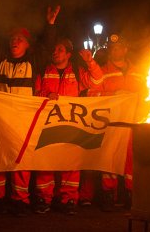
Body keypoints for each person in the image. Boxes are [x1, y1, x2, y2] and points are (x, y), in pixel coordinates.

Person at [0, 6, 60, 217]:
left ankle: (20, 200)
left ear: (27, 45)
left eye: (20, 39)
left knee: (21, 160)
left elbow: (46, 48)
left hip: (22, 120)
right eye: (12, 38)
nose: (14, 41)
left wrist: (50, 25)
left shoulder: (32, 63)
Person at [34, 38, 103, 215]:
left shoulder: (78, 73)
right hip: (48, 124)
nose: (55, 52)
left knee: (70, 163)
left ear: (68, 54)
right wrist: (46, 94)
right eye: (54, 49)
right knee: (46, 162)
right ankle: (44, 198)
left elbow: (97, 82)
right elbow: (35, 94)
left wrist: (90, 62)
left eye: (60, 49)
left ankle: (68, 199)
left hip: (72, 125)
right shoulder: (44, 71)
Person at [85, 34, 144, 212]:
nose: (113, 50)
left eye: (117, 47)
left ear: (125, 50)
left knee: (132, 159)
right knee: (111, 156)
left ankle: (130, 194)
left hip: (135, 121)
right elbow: (91, 94)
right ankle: (108, 195)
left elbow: (149, 94)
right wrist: (112, 95)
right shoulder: (102, 71)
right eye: (111, 48)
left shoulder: (139, 72)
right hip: (112, 122)